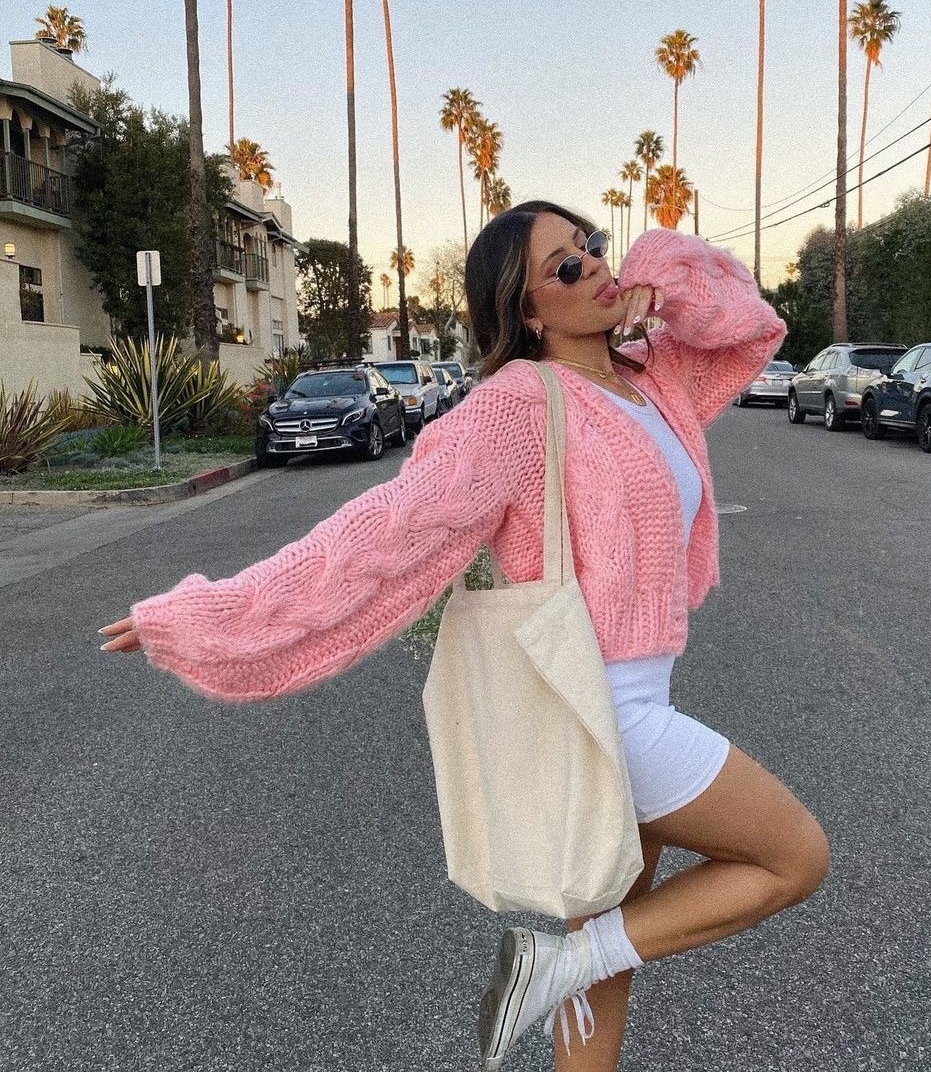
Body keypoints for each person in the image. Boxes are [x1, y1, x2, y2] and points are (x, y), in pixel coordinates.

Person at [99, 202, 829, 1071]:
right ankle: (553, 960)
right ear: (523, 313)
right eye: (564, 268)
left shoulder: (650, 378)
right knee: (793, 859)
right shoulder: (516, 409)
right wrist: (208, 616)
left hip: (630, 697)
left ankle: (560, 968)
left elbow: (750, 325)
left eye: (591, 248)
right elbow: (376, 538)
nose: (595, 268)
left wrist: (656, 278)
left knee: (606, 960)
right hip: (603, 712)